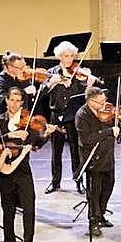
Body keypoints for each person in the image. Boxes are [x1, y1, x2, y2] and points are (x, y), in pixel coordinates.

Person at [0, 86, 55, 242]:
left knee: (29, 207)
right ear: (6, 100)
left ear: (22, 103)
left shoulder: (27, 120)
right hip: (4, 170)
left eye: (18, 101)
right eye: (12, 100)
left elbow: (35, 145)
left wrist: (45, 136)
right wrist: (11, 135)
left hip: (23, 170)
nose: (14, 104)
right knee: (8, 210)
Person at [74, 85, 121, 236]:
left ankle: (101, 215)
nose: (104, 104)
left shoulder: (107, 111)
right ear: (90, 101)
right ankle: (93, 222)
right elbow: (86, 139)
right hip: (93, 159)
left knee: (108, 187)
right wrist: (108, 131)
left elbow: (119, 127)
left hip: (107, 156)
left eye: (104, 100)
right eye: (101, 101)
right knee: (94, 193)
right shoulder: (82, 115)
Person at [44, 41, 85, 194]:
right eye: (66, 56)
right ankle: (55, 182)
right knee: (56, 150)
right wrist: (52, 83)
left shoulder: (78, 72)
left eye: (71, 56)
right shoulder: (51, 72)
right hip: (56, 114)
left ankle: (78, 181)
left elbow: (86, 95)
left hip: (73, 115)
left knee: (76, 149)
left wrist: (88, 82)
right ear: (59, 57)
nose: (69, 59)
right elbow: (42, 92)